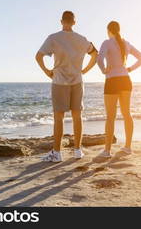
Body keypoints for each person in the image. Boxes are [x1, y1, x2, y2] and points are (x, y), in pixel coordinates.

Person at [35, 11, 97, 162]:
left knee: (59, 118)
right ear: (74, 22)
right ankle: (77, 151)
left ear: (61, 21)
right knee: (77, 116)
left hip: (59, 81)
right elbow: (96, 54)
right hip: (77, 80)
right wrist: (85, 70)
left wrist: (47, 72)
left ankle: (57, 153)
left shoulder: (53, 38)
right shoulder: (82, 40)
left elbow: (38, 56)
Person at [97, 21, 141, 157]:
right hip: (125, 80)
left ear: (108, 30)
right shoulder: (127, 43)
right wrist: (129, 68)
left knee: (110, 117)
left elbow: (99, 59)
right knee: (126, 114)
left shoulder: (106, 43)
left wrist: (103, 70)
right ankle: (128, 147)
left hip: (112, 80)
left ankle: (107, 151)